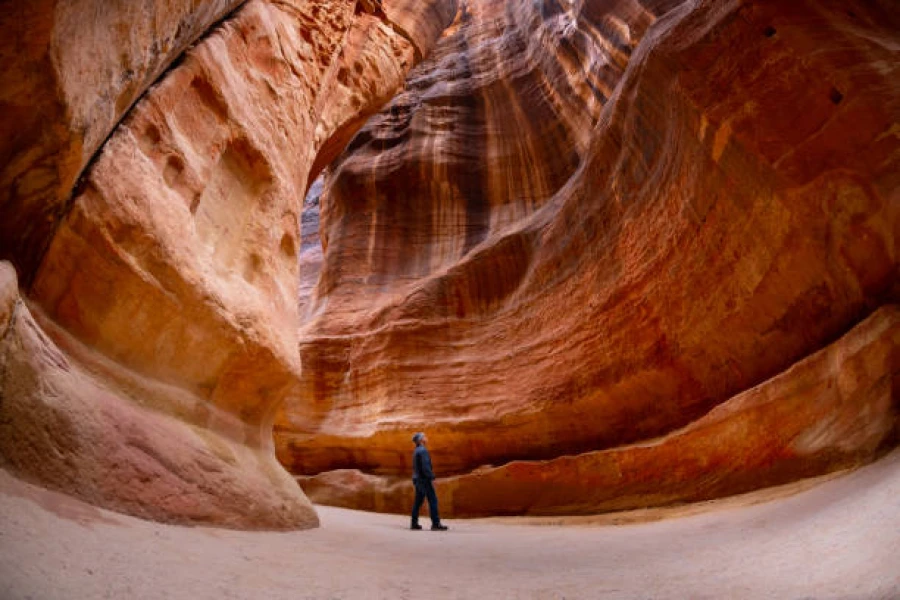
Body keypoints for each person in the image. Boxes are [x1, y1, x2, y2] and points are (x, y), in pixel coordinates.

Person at [410, 432, 448, 531]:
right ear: (420, 440)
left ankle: (414, 524)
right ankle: (435, 524)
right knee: (433, 500)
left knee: (418, 502)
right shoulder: (423, 451)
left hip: (417, 480)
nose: (426, 438)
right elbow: (425, 467)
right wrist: (432, 478)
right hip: (424, 480)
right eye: (424, 436)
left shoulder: (416, 451)